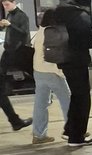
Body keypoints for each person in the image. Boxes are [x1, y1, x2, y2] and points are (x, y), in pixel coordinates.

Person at [54, 0, 92, 147]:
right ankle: (76, 137)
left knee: (76, 95)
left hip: (63, 60)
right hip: (77, 61)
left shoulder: (61, 13)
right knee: (83, 98)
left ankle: (70, 130)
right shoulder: (81, 16)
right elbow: (89, 41)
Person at [30, 9, 70, 146]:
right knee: (67, 101)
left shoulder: (40, 31)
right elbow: (55, 54)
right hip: (52, 73)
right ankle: (72, 130)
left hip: (38, 71)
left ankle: (38, 134)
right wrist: (60, 72)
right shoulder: (52, 32)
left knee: (40, 104)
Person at [0, 0, 31, 132]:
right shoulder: (10, 15)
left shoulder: (21, 16)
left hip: (18, 53)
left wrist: (10, 24)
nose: (5, 7)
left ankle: (15, 121)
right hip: (9, 52)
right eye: (3, 5)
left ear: (13, 2)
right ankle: (15, 121)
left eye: (7, 4)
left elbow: (24, 32)